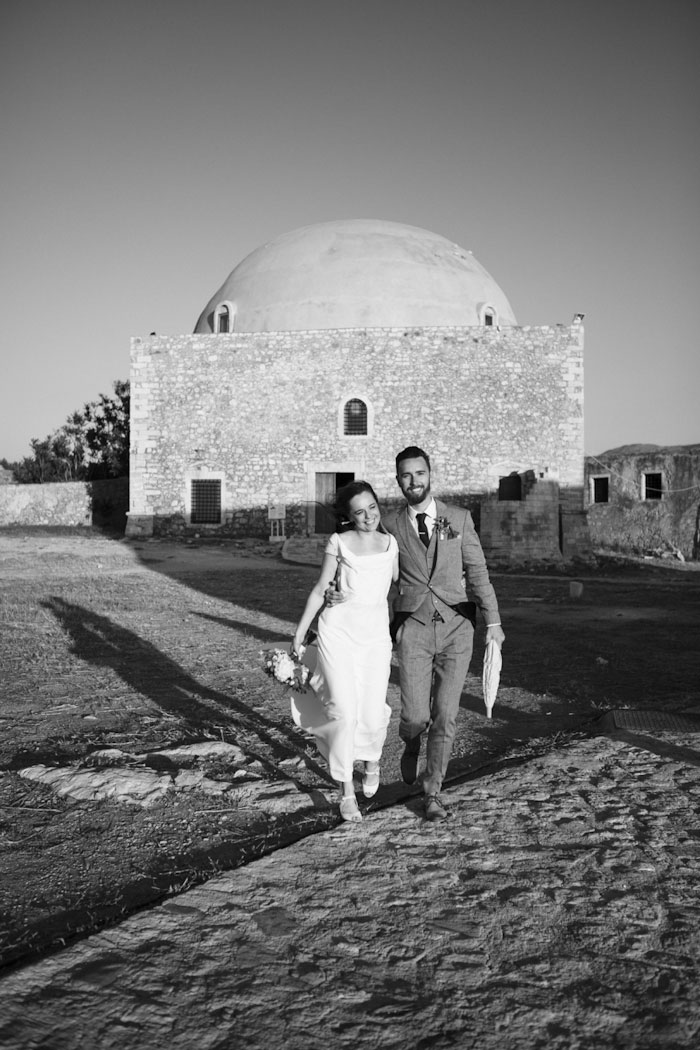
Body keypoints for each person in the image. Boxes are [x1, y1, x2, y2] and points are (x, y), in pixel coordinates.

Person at [382, 446, 505, 822]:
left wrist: (494, 623)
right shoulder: (389, 525)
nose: (413, 481)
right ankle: (410, 741)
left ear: (430, 474)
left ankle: (433, 790)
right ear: (398, 479)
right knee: (417, 715)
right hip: (414, 629)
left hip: (457, 630)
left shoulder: (460, 519)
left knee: (446, 715)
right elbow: (379, 580)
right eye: (406, 475)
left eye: (419, 473)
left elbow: (478, 572)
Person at [291, 481, 399, 823]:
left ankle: (372, 759)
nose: (368, 516)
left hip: (375, 638)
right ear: (349, 517)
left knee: (370, 710)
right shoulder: (339, 542)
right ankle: (346, 792)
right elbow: (322, 587)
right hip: (337, 633)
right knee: (344, 712)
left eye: (372, 508)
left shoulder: (391, 544)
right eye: (359, 512)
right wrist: (299, 632)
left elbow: (398, 585)